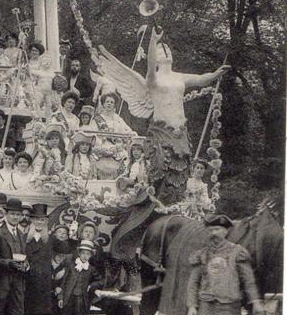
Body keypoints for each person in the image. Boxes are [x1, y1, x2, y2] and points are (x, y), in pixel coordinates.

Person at [97, 28, 230, 202]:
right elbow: (150, 65)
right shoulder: (153, 79)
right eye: (160, 49)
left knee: (182, 171)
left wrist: (215, 74)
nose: (165, 50)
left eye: (166, 48)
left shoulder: (180, 77)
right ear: (156, 57)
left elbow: (201, 79)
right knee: (162, 172)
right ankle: (159, 201)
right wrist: (152, 41)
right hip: (161, 133)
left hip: (180, 133)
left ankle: (179, 202)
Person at [49, 240, 97, 315]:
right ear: (79, 253)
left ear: (90, 255)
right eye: (83, 253)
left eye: (88, 254)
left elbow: (100, 280)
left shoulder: (91, 269)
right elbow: (64, 283)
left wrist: (92, 286)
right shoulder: (71, 266)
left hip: (82, 299)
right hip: (69, 298)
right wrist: (60, 297)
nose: (85, 256)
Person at [23, 204, 52, 315]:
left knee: (41, 314)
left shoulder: (50, 239)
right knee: (27, 311)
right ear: (32, 220)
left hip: (44, 282)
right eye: (37, 219)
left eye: (42, 219)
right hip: (29, 280)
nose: (39, 222)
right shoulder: (25, 238)